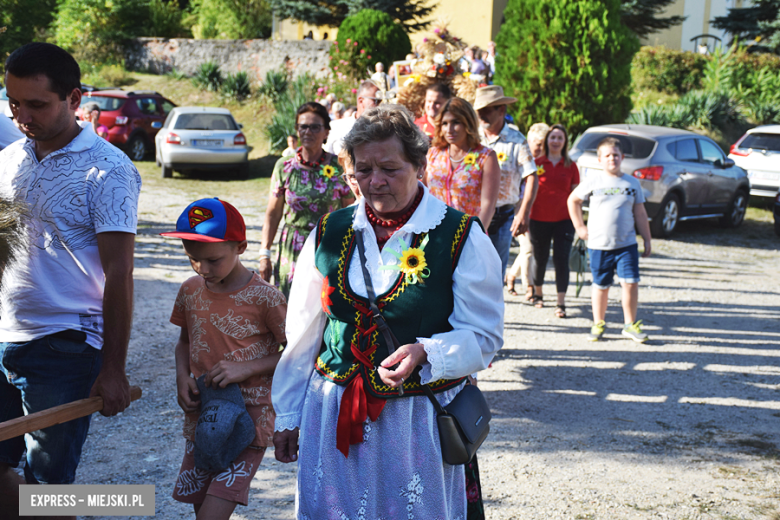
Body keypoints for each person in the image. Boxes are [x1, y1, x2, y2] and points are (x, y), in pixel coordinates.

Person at [271, 104, 503, 519]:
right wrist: (287, 412)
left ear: (419, 165)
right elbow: (303, 332)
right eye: (363, 170)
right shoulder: (329, 231)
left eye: (390, 169)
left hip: (415, 422)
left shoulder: (459, 235)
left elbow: (484, 337)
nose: (375, 182)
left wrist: (426, 353)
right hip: (335, 411)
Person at [0, 43, 140, 499]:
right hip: (4, 336)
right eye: (13, 102)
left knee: (48, 489)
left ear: (74, 99)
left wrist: (114, 368)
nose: (23, 116)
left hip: (63, 346)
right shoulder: (7, 160)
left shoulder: (108, 169)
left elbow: (120, 274)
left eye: (36, 104)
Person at [161, 198, 286, 520]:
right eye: (193, 260)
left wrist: (247, 368)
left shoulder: (267, 298)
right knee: (201, 506)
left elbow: (297, 353)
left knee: (211, 514)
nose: (202, 269)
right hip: (204, 417)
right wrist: (182, 377)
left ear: (241, 247)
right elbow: (184, 342)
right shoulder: (190, 291)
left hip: (249, 419)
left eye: (213, 260)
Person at [260, 102, 354, 298]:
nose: (308, 132)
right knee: (290, 304)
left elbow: (351, 211)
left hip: (329, 246)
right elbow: (273, 213)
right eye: (303, 126)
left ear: (326, 132)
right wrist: (264, 254)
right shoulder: (284, 166)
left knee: (326, 304)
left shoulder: (339, 166)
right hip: (292, 248)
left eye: (315, 127)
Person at [568, 138, 652, 343]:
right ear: (600, 159)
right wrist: (580, 226)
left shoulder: (632, 183)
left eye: (616, 155)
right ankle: (598, 323)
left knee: (631, 283)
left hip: (627, 245)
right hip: (599, 245)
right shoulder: (593, 181)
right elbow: (573, 200)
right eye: (607, 155)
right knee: (601, 285)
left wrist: (647, 239)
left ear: (622, 157)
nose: (612, 158)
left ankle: (630, 324)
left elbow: (640, 212)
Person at [475, 85, 538, 283]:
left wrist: (523, 212)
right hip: (473, 213)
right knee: (470, 268)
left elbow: (531, 176)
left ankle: (492, 312)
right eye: (479, 111)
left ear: (501, 110)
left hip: (502, 215)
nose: (482, 115)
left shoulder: (516, 140)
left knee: (495, 271)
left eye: (487, 110)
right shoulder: (472, 138)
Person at [424, 97, 500, 230]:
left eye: (456, 122)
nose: (449, 129)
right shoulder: (432, 155)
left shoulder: (485, 157)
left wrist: (475, 236)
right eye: (444, 123)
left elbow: (488, 205)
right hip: (433, 233)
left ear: (468, 123)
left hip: (468, 234)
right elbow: (422, 196)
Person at [528, 124, 578, 318]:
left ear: (565, 142)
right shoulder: (536, 163)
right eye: (553, 137)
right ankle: (538, 294)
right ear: (547, 140)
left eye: (560, 138)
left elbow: (576, 195)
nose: (556, 141)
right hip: (538, 218)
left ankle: (561, 302)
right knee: (539, 258)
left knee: (561, 260)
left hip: (564, 220)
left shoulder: (571, 166)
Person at [505, 122, 548, 300]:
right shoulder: (520, 161)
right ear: (528, 141)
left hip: (535, 214)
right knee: (528, 248)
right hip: (517, 212)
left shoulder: (543, 163)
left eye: (542, 145)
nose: (539, 149)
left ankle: (511, 276)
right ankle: (529, 286)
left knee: (526, 250)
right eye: (536, 144)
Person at [323, 79, 379, 155]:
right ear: (361, 101)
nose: (380, 105)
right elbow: (326, 158)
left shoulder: (383, 131)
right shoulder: (336, 127)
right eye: (376, 101)